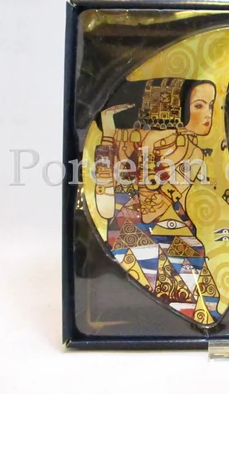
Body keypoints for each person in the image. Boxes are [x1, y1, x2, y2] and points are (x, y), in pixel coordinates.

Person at [93, 78, 222, 326]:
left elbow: (157, 208)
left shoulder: (191, 152)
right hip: (131, 244)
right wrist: (109, 135)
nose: (209, 114)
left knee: (204, 305)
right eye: (198, 105)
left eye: (211, 105)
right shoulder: (124, 143)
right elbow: (107, 208)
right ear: (173, 110)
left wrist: (147, 151)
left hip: (173, 239)